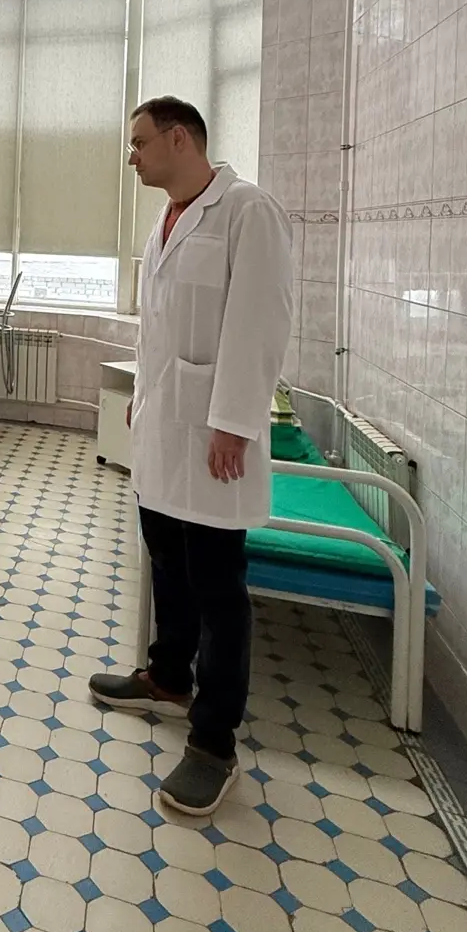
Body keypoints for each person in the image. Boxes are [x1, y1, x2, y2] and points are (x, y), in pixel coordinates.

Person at [91, 97, 294, 817]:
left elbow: (260, 322)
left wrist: (234, 422)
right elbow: (160, 327)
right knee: (167, 564)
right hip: (162, 431)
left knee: (217, 588)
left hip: (213, 439)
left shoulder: (247, 211)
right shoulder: (168, 219)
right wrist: (141, 398)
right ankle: (168, 677)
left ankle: (213, 743)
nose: (132, 156)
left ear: (180, 138)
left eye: (139, 142)